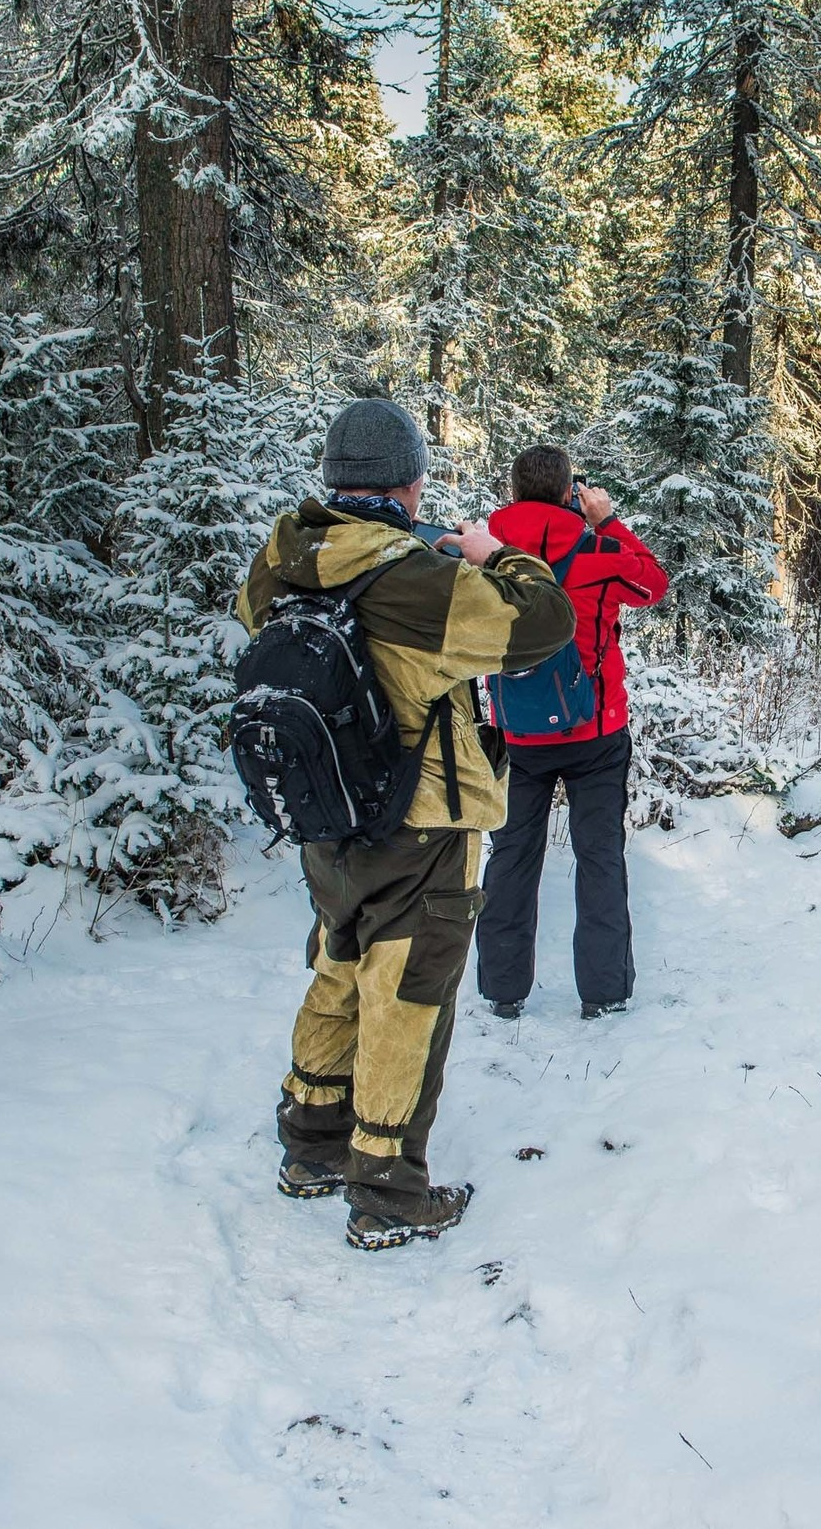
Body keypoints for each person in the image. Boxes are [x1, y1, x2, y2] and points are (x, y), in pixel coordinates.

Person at [238, 400, 572, 1250]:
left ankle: (310, 1146)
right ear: (410, 483)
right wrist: (501, 557)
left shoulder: (287, 552)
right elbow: (540, 624)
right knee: (409, 998)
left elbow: (253, 619)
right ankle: (387, 1189)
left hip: (324, 808)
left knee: (338, 966)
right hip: (420, 821)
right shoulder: (412, 580)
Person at [475, 444, 670, 1020]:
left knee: (511, 855)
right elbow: (653, 585)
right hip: (595, 732)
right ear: (569, 493)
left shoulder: (484, 557)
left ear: (513, 495)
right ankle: (604, 993)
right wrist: (605, 520)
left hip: (520, 734)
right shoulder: (599, 552)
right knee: (599, 855)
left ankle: (504, 992)